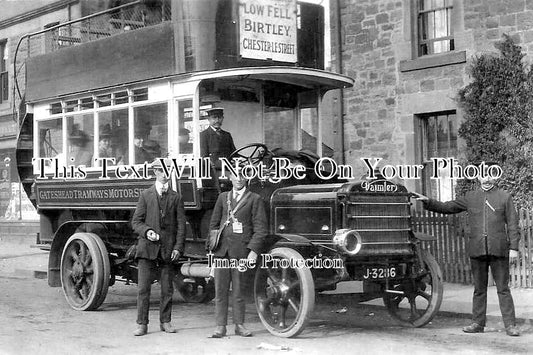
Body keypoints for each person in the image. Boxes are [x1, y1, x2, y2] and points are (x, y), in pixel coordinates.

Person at [413, 162, 520, 336]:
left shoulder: (504, 197)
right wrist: (428, 201)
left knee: (503, 289)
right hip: (477, 250)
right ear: (478, 177)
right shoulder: (471, 197)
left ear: (496, 177)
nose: (486, 179)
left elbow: (513, 225)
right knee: (479, 289)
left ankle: (510, 325)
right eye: (483, 175)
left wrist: (514, 248)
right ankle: (477, 323)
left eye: (490, 175)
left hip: (499, 250)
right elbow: (448, 207)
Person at [208, 170, 267, 338]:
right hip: (222, 253)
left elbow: (261, 229)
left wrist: (254, 251)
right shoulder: (223, 198)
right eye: (235, 175)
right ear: (230, 177)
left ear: (247, 177)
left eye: (242, 175)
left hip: (241, 254)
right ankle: (220, 327)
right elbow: (213, 224)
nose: (239, 178)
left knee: (239, 291)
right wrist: (212, 249)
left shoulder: (255, 199)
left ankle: (239, 325)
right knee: (220, 291)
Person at [131, 159, 186, 336]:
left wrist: (178, 247)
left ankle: (165, 321)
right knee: (143, 289)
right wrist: (147, 232)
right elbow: (136, 222)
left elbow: (181, 226)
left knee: (167, 289)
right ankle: (142, 324)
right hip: (147, 249)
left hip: (167, 250)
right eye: (162, 171)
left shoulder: (176, 197)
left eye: (169, 170)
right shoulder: (145, 195)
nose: (165, 173)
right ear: (155, 172)